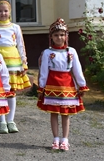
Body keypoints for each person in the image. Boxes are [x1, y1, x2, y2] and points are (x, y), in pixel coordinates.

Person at [37, 18, 88, 151]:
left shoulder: (71, 51)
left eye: (62, 35)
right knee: (53, 113)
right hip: (52, 85)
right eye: (56, 35)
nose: (59, 37)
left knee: (65, 114)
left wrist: (81, 85)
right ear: (51, 37)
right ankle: (55, 139)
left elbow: (77, 69)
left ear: (66, 36)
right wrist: (41, 86)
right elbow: (43, 71)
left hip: (67, 86)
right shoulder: (47, 52)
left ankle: (65, 139)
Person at [0, 0, 31, 134]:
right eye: (0, 11)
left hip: (13, 61)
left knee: (11, 92)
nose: (3, 13)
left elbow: (21, 45)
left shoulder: (15, 28)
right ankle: (2, 121)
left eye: (5, 11)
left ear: (10, 12)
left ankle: (11, 120)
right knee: (1, 92)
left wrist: (24, 62)